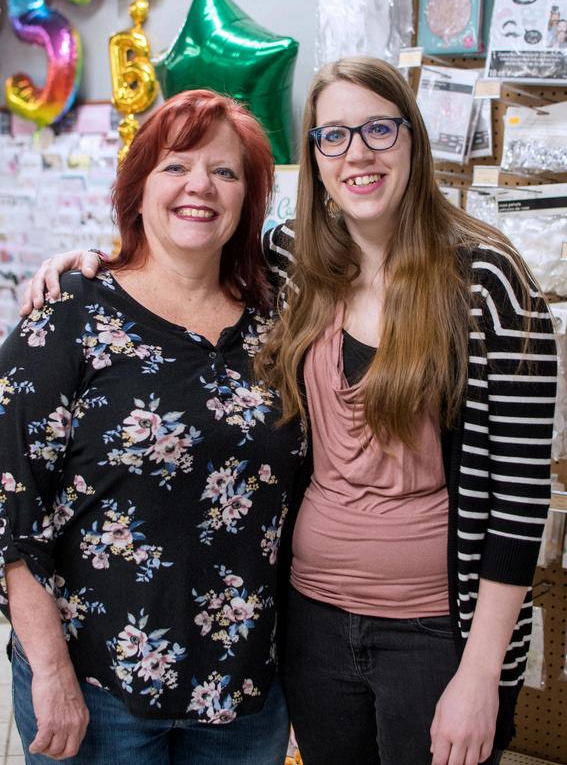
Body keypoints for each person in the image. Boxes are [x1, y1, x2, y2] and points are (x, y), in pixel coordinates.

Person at [22, 57, 557, 765]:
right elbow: (182, 248)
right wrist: (89, 261)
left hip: (423, 631)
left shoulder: (485, 282)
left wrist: (483, 674)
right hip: (303, 627)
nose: (357, 153)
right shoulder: (294, 262)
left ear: (413, 138)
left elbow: (519, 501)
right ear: (314, 155)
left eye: (378, 129)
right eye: (333, 135)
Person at [0, 89, 307, 764]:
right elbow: (10, 503)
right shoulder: (70, 312)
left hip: (242, 694)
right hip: (96, 687)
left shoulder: (279, 326)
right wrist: (48, 670)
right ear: (137, 188)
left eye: (224, 171)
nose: (200, 185)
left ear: (248, 201)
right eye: (175, 166)